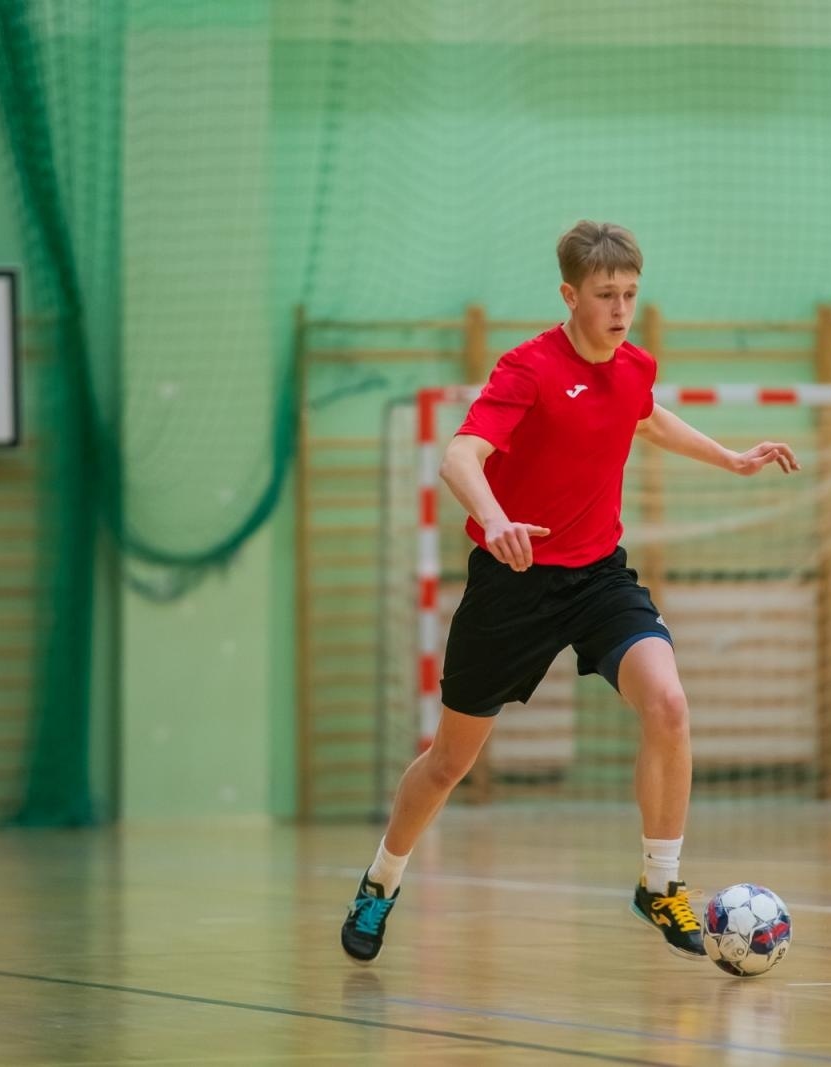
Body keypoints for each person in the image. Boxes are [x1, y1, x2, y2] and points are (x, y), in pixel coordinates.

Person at [341, 221, 800, 963]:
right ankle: (380, 880)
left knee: (669, 704)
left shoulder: (634, 364)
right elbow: (461, 454)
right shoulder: (528, 368)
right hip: (513, 582)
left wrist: (729, 457)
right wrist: (493, 521)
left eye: (630, 294)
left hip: (597, 579)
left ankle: (660, 882)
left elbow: (644, 414)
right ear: (569, 294)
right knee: (449, 762)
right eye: (605, 295)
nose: (621, 309)